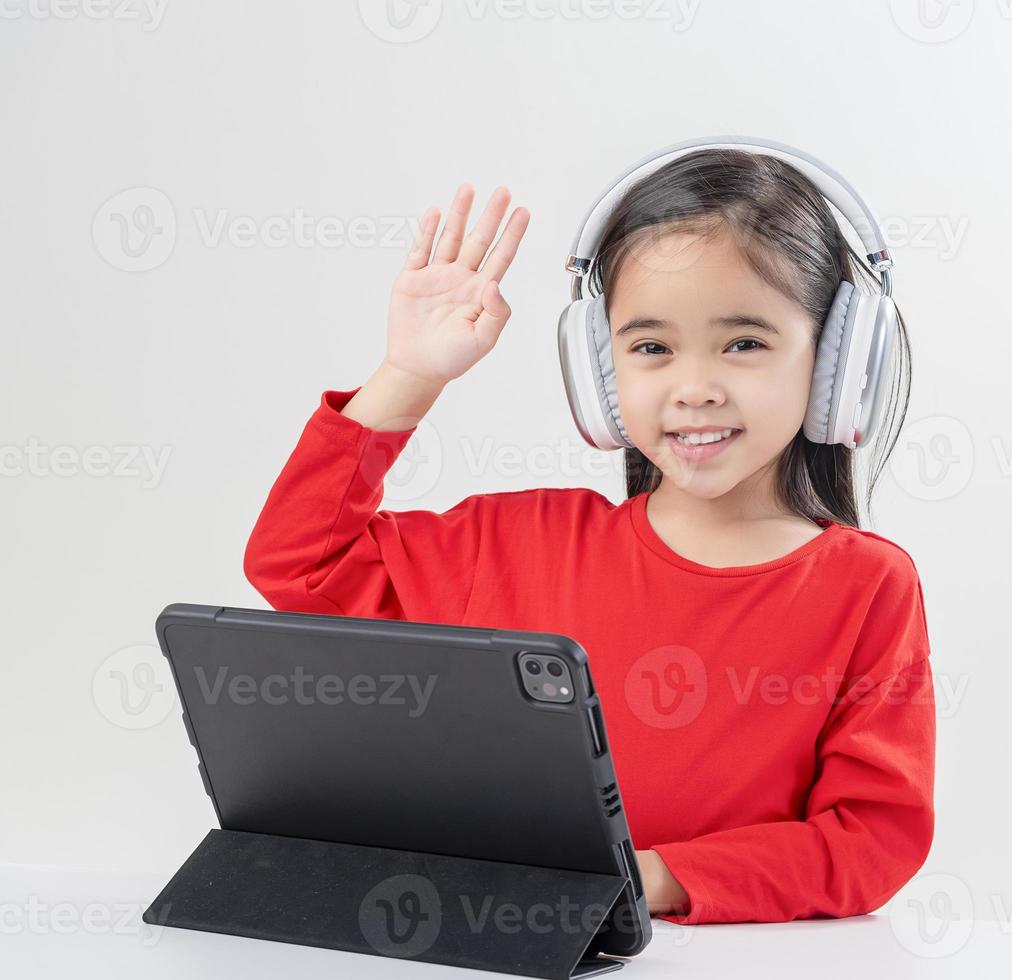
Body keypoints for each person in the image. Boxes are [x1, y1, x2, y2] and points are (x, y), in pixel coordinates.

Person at [243, 145, 935, 925]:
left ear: (839, 363)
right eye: (651, 348)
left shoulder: (866, 585)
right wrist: (410, 373)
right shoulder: (521, 543)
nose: (695, 387)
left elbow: (872, 841)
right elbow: (302, 559)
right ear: (602, 374)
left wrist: (654, 878)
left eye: (744, 342)